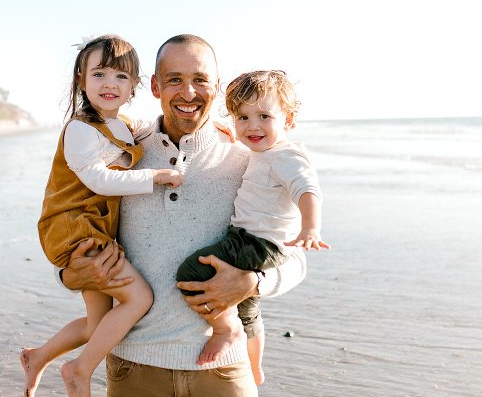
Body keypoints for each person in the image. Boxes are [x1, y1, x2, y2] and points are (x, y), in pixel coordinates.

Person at [59, 34, 308, 396]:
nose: (188, 92)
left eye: (200, 80)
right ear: (156, 86)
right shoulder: (120, 157)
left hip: (224, 368)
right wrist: (69, 274)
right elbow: (73, 225)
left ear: (217, 88)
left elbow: (295, 255)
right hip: (134, 367)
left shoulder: (251, 158)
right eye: (175, 79)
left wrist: (256, 282)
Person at [20, 35, 183, 397]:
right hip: (75, 229)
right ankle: (80, 370)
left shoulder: (121, 123)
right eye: (100, 74)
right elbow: (99, 179)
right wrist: (153, 177)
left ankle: (38, 356)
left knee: (99, 326)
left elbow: (154, 127)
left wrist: (216, 128)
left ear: (135, 86)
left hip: (97, 230)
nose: (110, 83)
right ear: (81, 79)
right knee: (139, 299)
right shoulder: (79, 129)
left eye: (121, 77)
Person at [176, 69, 328, 385]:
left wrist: (311, 228)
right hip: (255, 241)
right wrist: (227, 134)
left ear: (288, 120)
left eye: (263, 116)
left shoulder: (286, 156)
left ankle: (223, 329)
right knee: (248, 309)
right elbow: (251, 147)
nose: (252, 126)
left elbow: (308, 189)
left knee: (191, 272)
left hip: (258, 243)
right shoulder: (265, 152)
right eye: (242, 118)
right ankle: (255, 367)